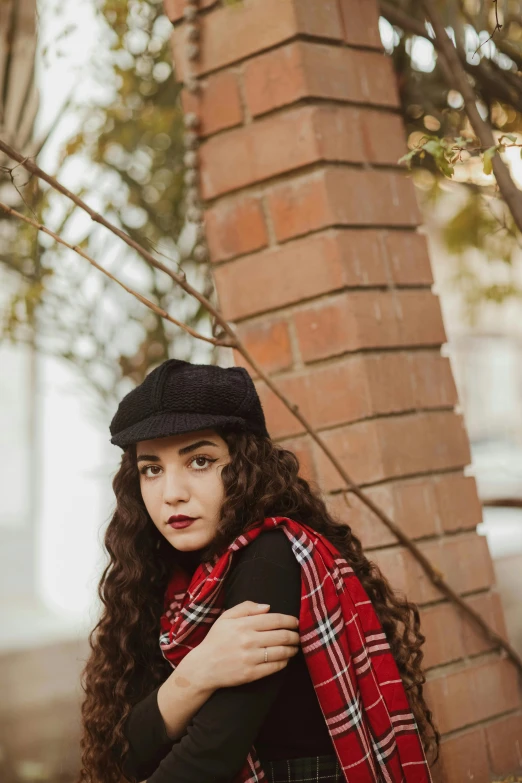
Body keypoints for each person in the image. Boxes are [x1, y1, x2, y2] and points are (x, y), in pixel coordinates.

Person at [77, 358, 439, 783]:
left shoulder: (269, 558)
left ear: (246, 466)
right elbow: (125, 753)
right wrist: (197, 670)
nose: (171, 494)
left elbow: (210, 756)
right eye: (152, 469)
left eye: (200, 461)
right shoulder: (167, 578)